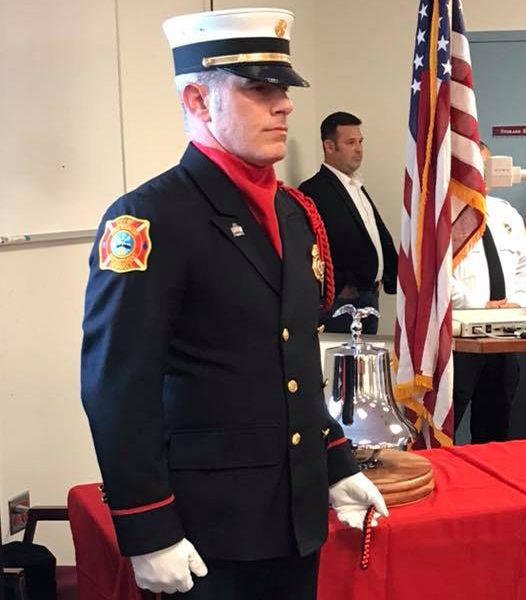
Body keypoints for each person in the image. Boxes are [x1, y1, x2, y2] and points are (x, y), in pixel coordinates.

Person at [80, 9, 387, 599]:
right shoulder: (150, 218)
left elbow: (291, 367)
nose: (285, 105)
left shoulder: (294, 215)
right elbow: (118, 385)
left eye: (284, 90)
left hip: (294, 520)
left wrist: (336, 464)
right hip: (204, 533)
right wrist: (147, 529)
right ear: (198, 100)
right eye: (259, 89)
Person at [452, 142, 526, 444]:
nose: (484, 174)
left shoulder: (505, 212)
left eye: (488, 166)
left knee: (495, 429)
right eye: (477, 166)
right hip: (461, 339)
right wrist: (479, 306)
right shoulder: (441, 217)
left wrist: (518, 303)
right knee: (445, 430)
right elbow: (434, 276)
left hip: (504, 336)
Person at [298, 112, 397, 335]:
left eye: (360, 141)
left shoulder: (356, 186)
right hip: (342, 303)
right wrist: (341, 287)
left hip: (370, 297)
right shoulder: (313, 190)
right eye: (350, 142)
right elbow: (315, 247)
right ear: (329, 146)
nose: (359, 148)